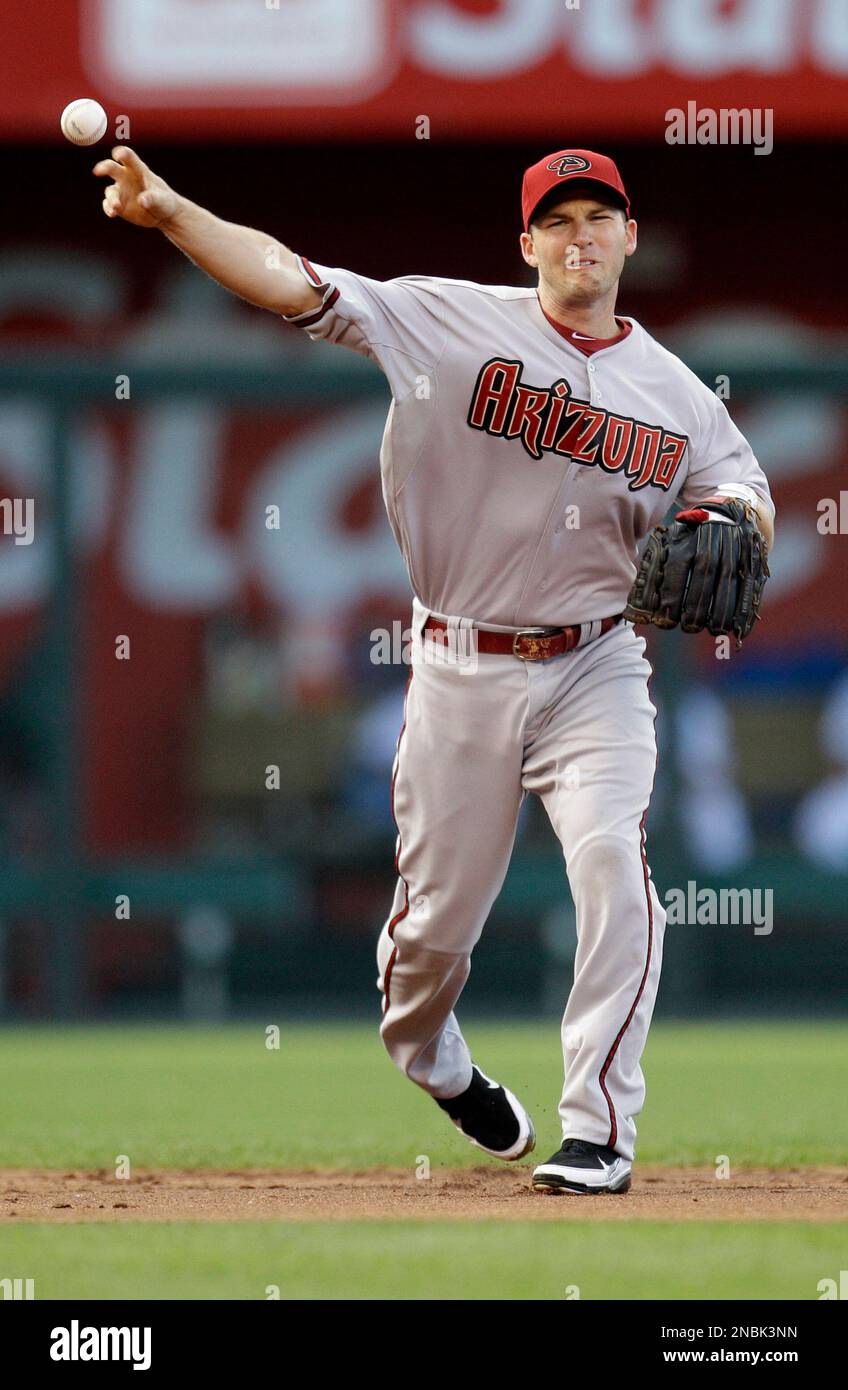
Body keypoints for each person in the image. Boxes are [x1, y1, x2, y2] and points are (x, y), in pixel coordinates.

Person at [95, 145, 774, 1194]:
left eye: (598, 215)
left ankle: (597, 1129)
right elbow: (290, 277)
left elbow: (743, 491)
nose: (578, 234)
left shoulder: (678, 395)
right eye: (556, 219)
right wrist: (175, 211)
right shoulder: (444, 320)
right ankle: (431, 1057)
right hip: (460, 664)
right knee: (427, 941)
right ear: (527, 243)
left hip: (596, 663)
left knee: (612, 865)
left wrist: (734, 514)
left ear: (629, 236)